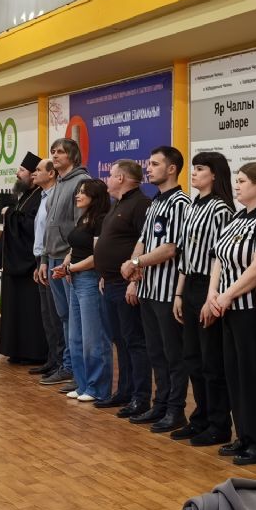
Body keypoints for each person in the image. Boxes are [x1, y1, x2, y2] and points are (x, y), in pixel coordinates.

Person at [206, 162, 256, 467]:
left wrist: (228, 294)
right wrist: (213, 292)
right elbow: (219, 259)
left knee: (255, 377)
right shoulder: (237, 217)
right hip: (228, 308)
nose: (236, 186)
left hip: (250, 308)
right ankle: (244, 434)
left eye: (242, 181)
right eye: (236, 181)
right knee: (235, 374)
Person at [125, 146, 191, 432]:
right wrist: (134, 271)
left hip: (168, 290)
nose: (148, 169)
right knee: (155, 352)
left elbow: (170, 248)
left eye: (154, 164)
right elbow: (143, 240)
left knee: (173, 354)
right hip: (149, 289)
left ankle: (176, 409)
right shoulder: (155, 202)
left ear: (172, 168)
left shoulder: (180, 203)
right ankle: (160, 403)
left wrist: (136, 262)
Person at [171, 151, 235, 446]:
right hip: (190, 285)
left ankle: (219, 424)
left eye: (200, 169)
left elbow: (218, 258)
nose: (194, 173)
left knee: (211, 361)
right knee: (192, 358)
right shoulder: (193, 205)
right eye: (194, 168)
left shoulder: (220, 209)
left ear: (215, 174)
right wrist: (178, 293)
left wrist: (213, 297)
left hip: (210, 286)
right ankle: (200, 417)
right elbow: (185, 254)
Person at [95, 160, 150, 413]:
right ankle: (125, 391)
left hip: (126, 284)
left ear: (120, 178)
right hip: (110, 282)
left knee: (134, 342)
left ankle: (140, 396)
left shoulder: (140, 204)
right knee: (120, 340)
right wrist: (104, 273)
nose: (107, 179)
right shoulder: (117, 204)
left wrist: (135, 281)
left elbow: (145, 244)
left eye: (110, 175)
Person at [53, 179, 112, 402]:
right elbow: (74, 248)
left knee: (93, 338)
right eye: (78, 192)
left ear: (95, 197)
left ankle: (98, 388)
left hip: (89, 279)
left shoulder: (101, 220)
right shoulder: (83, 217)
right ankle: (82, 383)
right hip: (74, 279)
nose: (77, 195)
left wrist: (72, 268)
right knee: (75, 337)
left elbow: (98, 257)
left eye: (83, 192)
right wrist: (65, 264)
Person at [40, 138, 91, 390]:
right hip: (53, 257)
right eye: (53, 152)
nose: (55, 155)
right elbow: (49, 225)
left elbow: (82, 226)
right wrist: (44, 258)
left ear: (72, 155)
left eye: (60, 152)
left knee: (73, 318)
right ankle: (68, 365)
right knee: (63, 316)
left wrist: (72, 258)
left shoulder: (81, 182)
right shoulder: (59, 183)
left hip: (68, 259)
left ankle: (74, 369)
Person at [0, 152, 48, 367]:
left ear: (33, 175)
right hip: (14, 262)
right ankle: (14, 349)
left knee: (29, 310)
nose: (18, 173)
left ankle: (32, 352)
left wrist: (10, 215)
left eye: (22, 170)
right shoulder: (25, 196)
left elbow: (32, 227)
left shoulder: (41, 197)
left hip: (28, 264)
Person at [29, 160, 66, 379]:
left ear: (51, 174)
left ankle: (61, 362)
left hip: (54, 258)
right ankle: (52, 359)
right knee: (47, 315)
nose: (34, 174)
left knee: (56, 314)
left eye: (38, 170)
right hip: (42, 258)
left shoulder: (56, 196)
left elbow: (53, 232)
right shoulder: (42, 196)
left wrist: (45, 259)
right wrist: (40, 260)